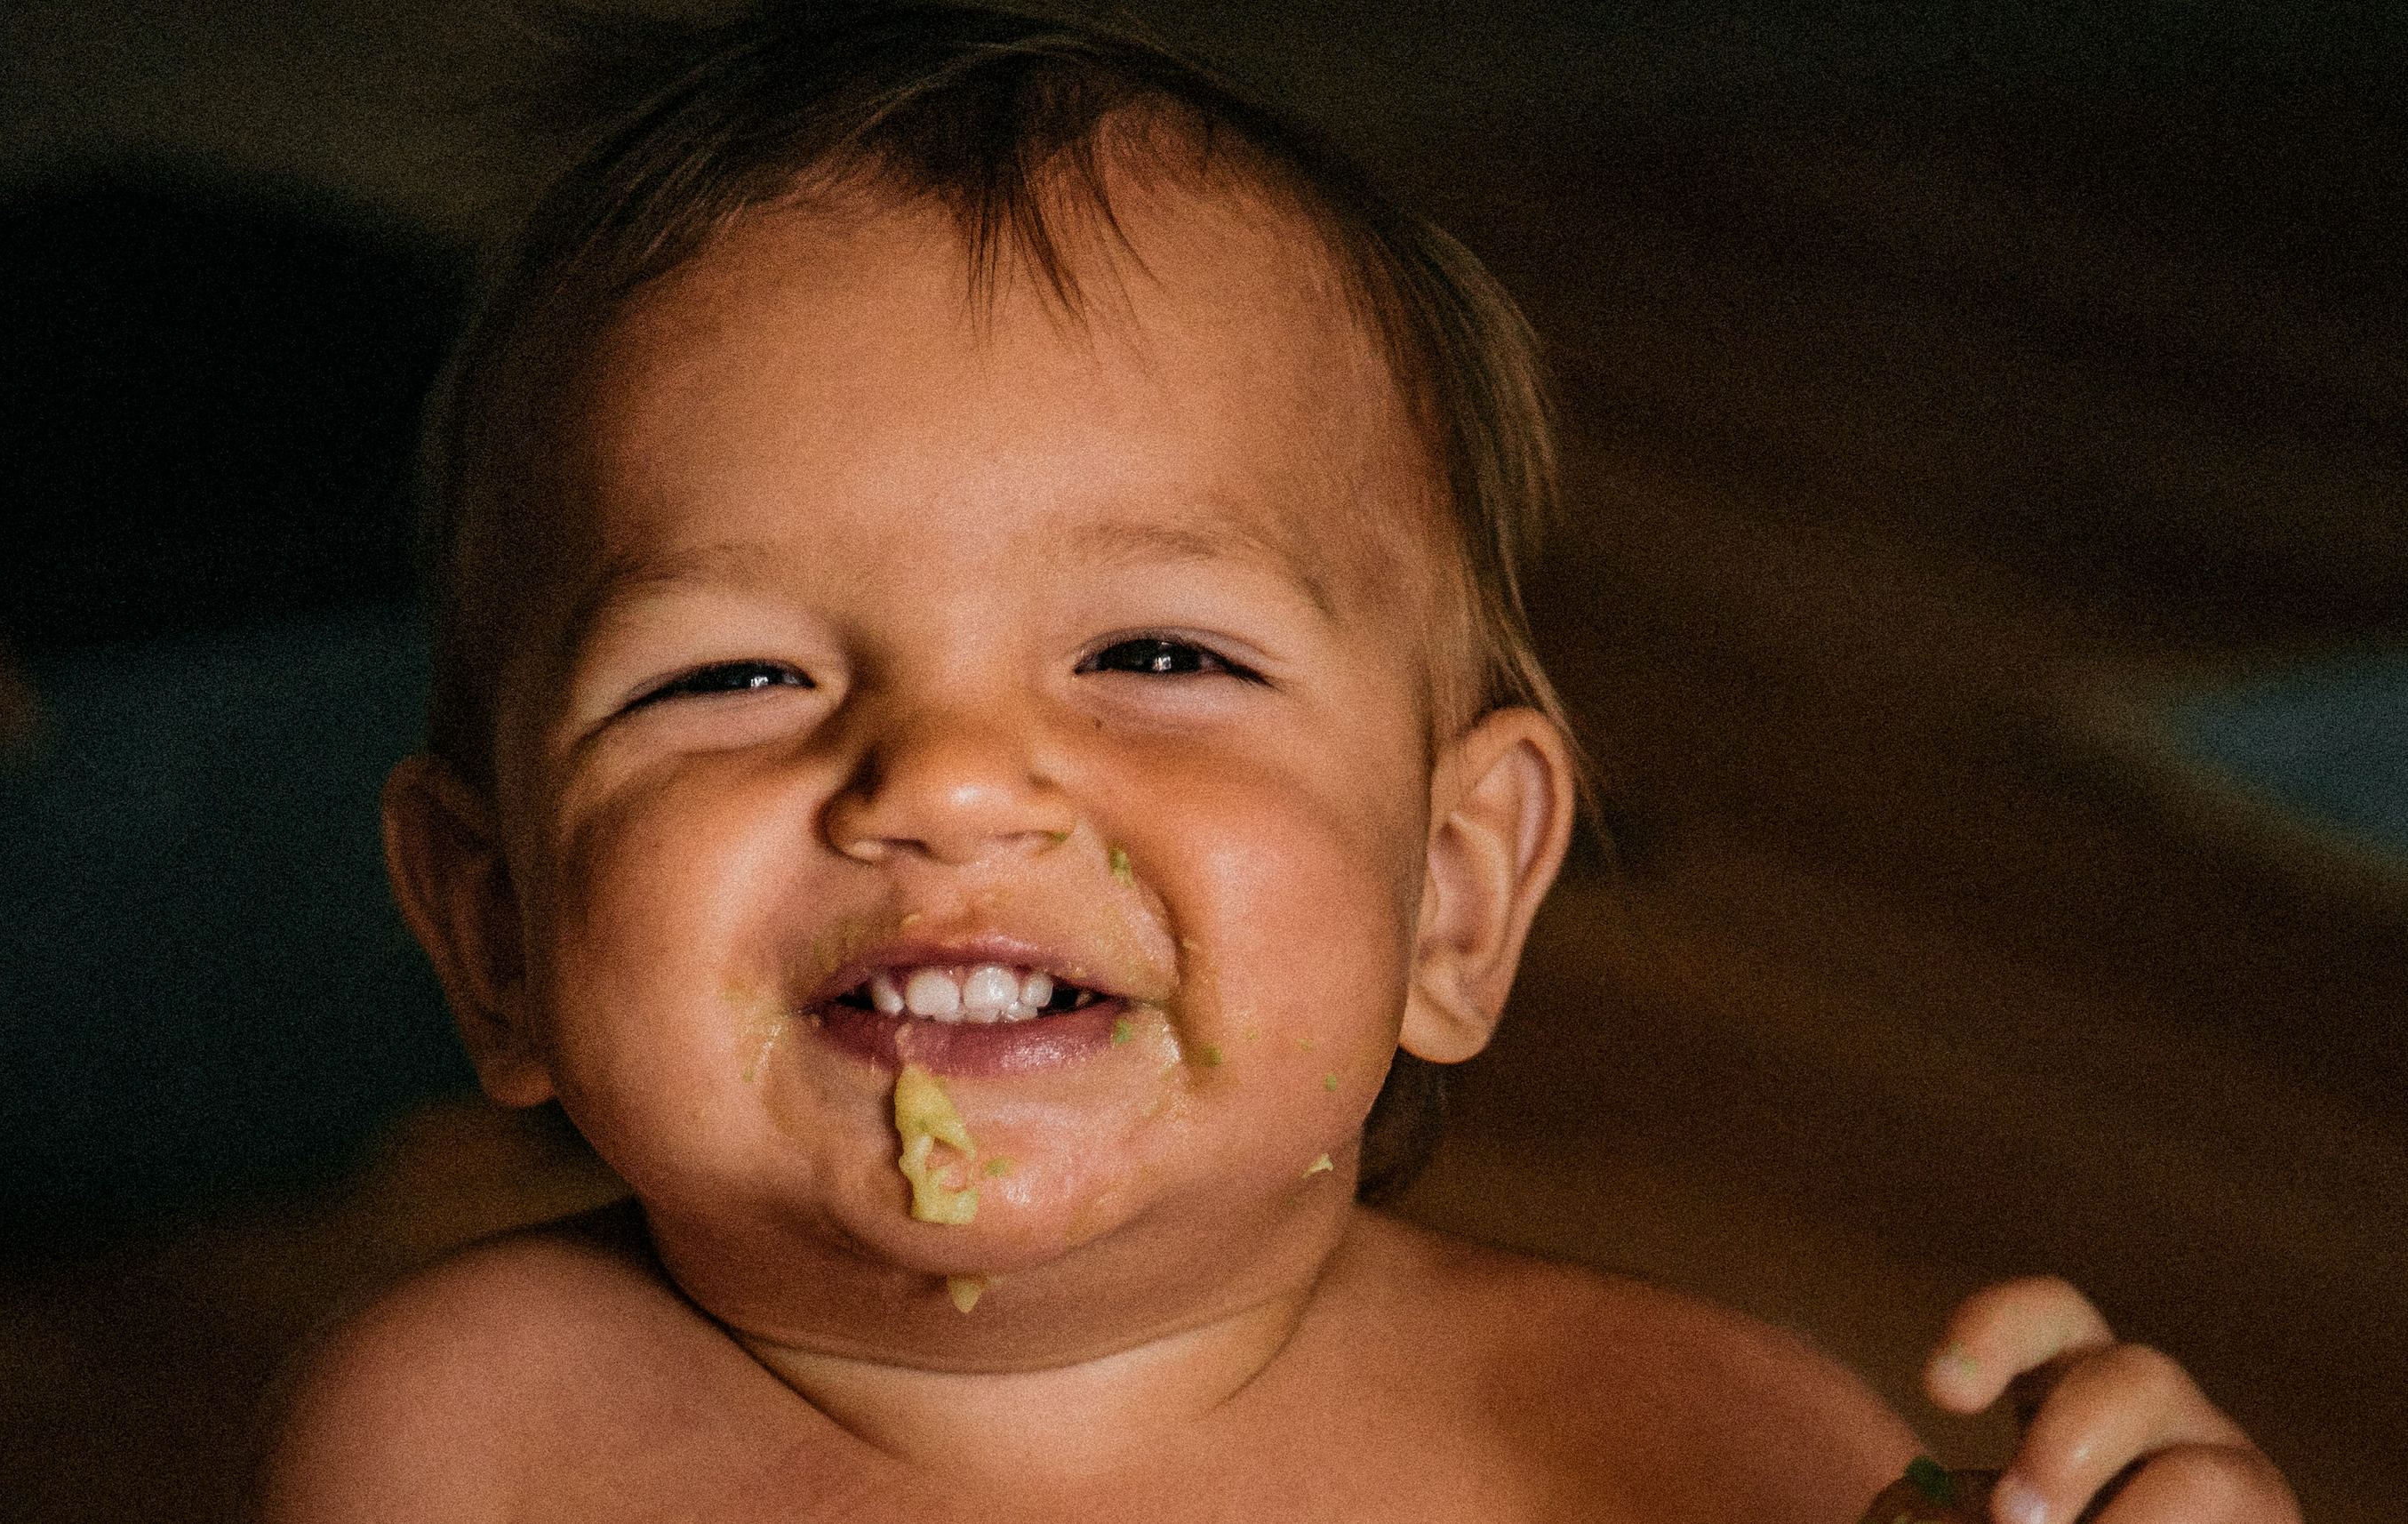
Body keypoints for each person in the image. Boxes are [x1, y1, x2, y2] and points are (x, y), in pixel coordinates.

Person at [262, 6, 2300, 1520]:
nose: (952, 779)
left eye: (1154, 649)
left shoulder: (1683, 1442)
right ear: (492, 924)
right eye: (733, 673)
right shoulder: (468, 1435)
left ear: (1457, 889)